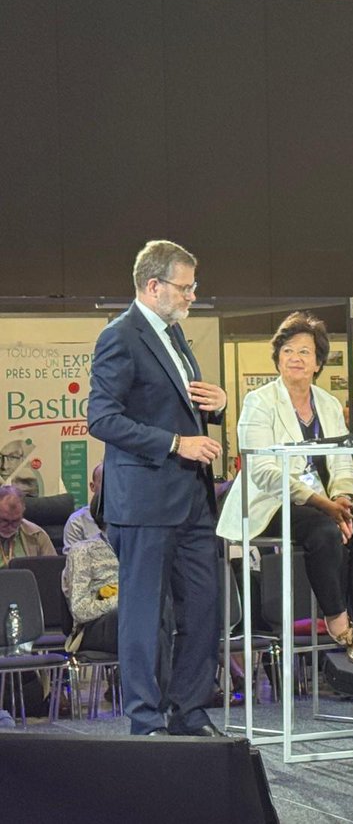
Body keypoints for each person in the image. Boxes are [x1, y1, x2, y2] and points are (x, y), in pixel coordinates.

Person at [87, 240, 228, 736]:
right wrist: (176, 443)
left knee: (204, 608)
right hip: (144, 501)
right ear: (154, 286)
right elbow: (102, 418)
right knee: (145, 618)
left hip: (191, 500)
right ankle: (145, 720)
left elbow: (180, 404)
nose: (192, 296)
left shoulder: (174, 334)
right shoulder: (120, 337)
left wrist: (217, 404)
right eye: (185, 287)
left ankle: (187, 711)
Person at [216, 311, 353, 678]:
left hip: (328, 500)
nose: (296, 358)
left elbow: (343, 461)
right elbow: (262, 469)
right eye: (288, 351)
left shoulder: (329, 404)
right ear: (278, 358)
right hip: (271, 500)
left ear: (318, 362)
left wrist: (344, 499)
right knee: (324, 531)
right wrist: (324, 505)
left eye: (304, 352)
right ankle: (336, 618)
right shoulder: (260, 402)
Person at [62, 508, 119, 655]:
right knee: (133, 614)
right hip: (94, 627)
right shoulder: (83, 551)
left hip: (131, 621)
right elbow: (80, 611)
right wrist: (124, 600)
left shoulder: (136, 551)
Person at [0, 485, 57, 566]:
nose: (10, 526)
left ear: (23, 512)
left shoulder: (37, 534)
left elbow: (53, 568)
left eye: (15, 521)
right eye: (4, 521)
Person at [63, 465, 104, 552]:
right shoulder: (77, 522)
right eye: (105, 482)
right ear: (92, 486)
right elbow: (72, 560)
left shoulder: (131, 519)